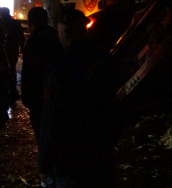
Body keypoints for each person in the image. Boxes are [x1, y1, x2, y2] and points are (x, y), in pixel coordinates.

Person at [41, 9, 117, 187]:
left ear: (64, 33)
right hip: (100, 153)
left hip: (70, 158)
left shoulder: (60, 66)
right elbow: (113, 106)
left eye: (61, 32)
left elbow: (53, 116)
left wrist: (44, 159)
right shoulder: (103, 59)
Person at [20, 7, 63, 187]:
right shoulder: (57, 37)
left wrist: (27, 97)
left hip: (39, 97)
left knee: (43, 135)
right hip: (58, 95)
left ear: (31, 22)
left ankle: (49, 174)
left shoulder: (34, 41)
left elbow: (29, 73)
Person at [0, 7, 24, 103]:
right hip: (13, 49)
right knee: (12, 69)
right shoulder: (15, 23)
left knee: (5, 70)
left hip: (4, 49)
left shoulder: (0, 23)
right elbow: (20, 37)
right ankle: (12, 91)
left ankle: (9, 91)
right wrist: (21, 48)